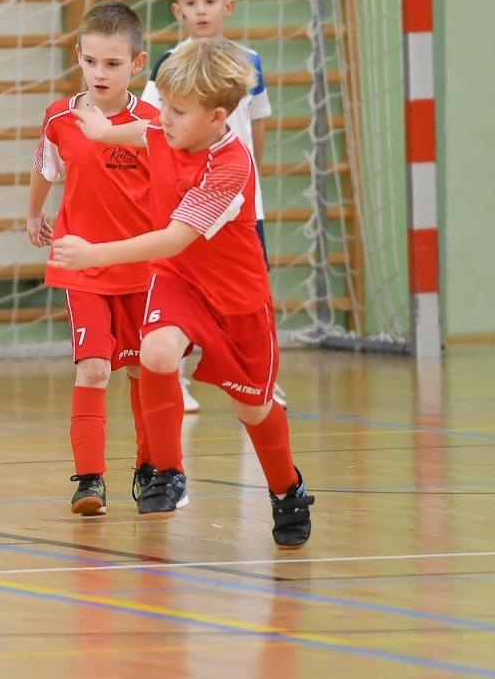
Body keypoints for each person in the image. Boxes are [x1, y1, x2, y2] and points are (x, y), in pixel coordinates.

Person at [50, 38, 315, 548]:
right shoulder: (166, 130)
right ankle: (166, 470)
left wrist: (94, 254)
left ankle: (288, 489)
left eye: (177, 110)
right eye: (165, 105)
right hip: (178, 282)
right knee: (155, 351)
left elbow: (174, 237)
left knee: (253, 410)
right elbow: (144, 131)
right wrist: (104, 132)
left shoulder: (229, 167)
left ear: (217, 118)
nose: (163, 117)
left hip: (236, 302)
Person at [26, 3, 158, 517]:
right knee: (95, 368)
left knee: (145, 371)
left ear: (137, 64)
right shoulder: (61, 117)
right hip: (81, 265)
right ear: (77, 55)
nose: (100, 73)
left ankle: (153, 468)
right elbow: (46, 168)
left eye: (113, 64)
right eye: (91, 61)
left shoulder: (151, 124)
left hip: (142, 267)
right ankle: (89, 480)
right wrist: (34, 213)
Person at [142, 0, 274, 414]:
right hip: (184, 204)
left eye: (210, 1)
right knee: (180, 288)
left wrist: (254, 178)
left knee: (249, 292)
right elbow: (151, 126)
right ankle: (175, 377)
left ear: (227, 7)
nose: (201, 11)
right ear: (178, 11)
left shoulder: (249, 62)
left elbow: (258, 123)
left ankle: (258, 378)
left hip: (236, 203)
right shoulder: (169, 64)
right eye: (192, 3)